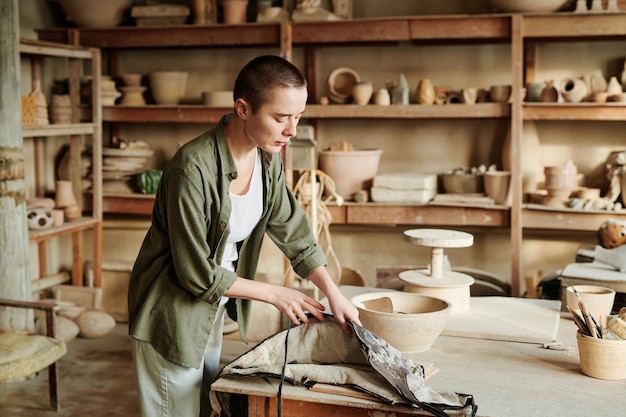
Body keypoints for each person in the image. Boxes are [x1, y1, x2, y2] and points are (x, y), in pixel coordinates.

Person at [127, 54, 361, 417]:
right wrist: (275, 294)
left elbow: (295, 231)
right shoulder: (192, 169)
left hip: (211, 310)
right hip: (171, 316)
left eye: (298, 117)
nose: (291, 130)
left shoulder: (267, 161)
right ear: (243, 108)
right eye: (281, 118)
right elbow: (196, 273)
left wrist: (333, 293)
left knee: (205, 406)